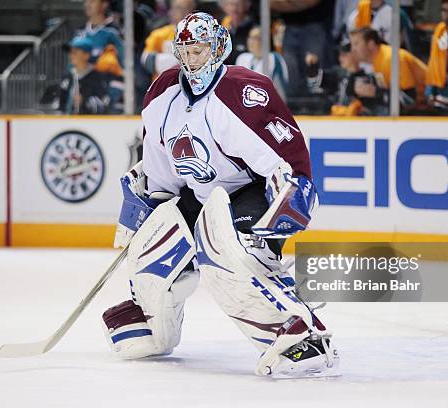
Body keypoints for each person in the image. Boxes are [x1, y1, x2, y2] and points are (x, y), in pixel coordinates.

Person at [101, 12, 339, 378]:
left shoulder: (244, 91)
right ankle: (151, 327)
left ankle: (299, 334)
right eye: (185, 52)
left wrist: (294, 190)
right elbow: (159, 165)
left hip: (249, 192)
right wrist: (147, 204)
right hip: (199, 195)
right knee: (150, 253)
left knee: (225, 253)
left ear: (218, 48)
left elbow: (284, 155)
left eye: (198, 51)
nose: (191, 60)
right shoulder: (163, 94)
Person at [350, 27, 427, 111]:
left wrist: (375, 92)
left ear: (371, 44)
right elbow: (386, 93)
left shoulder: (392, 58)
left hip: (428, 108)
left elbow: (409, 99)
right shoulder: (378, 62)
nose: (352, 49)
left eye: (356, 44)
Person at [55, 37, 120, 114]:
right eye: (70, 52)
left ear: (86, 55)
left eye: (75, 52)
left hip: (91, 123)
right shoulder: (67, 77)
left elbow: (106, 102)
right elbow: (60, 104)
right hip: (68, 123)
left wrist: (85, 101)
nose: (71, 55)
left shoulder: (98, 77)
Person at [330, 42, 388, 116]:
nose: (340, 58)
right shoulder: (339, 76)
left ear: (355, 54)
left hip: (363, 123)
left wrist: (376, 93)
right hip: (340, 122)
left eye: (344, 55)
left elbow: (385, 97)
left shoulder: (373, 74)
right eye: (340, 55)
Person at [141, 0, 195, 77]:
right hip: (163, 85)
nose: (184, 13)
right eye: (179, 8)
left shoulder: (201, 36)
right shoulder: (159, 34)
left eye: (187, 9)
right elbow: (146, 60)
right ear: (172, 11)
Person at [235, 25, 289, 101]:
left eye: (255, 38)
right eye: (250, 37)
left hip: (268, 104)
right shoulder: (242, 58)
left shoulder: (274, 58)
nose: (250, 41)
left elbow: (281, 90)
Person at [74, 0, 125, 76]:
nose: (87, 4)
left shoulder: (114, 32)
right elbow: (72, 63)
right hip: (81, 82)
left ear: (104, 4)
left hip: (106, 82)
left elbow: (124, 61)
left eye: (92, 1)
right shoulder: (79, 33)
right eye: (86, 1)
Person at [347, 0, 414, 52]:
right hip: (364, 65)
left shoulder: (397, 14)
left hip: (390, 62)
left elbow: (410, 45)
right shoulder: (354, 17)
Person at [220, 0, 255, 64]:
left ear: (246, 6)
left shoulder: (254, 29)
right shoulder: (218, 29)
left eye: (238, 4)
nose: (234, 8)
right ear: (224, 7)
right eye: (231, 4)